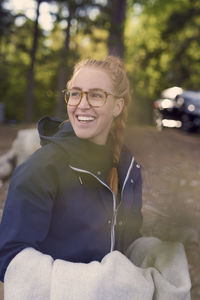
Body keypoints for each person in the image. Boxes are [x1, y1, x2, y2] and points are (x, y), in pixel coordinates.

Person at [0, 56, 191, 300]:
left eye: (96, 95)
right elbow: (9, 258)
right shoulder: (41, 168)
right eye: (76, 93)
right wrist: (96, 284)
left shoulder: (128, 167)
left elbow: (125, 238)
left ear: (118, 106)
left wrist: (153, 253)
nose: (82, 104)